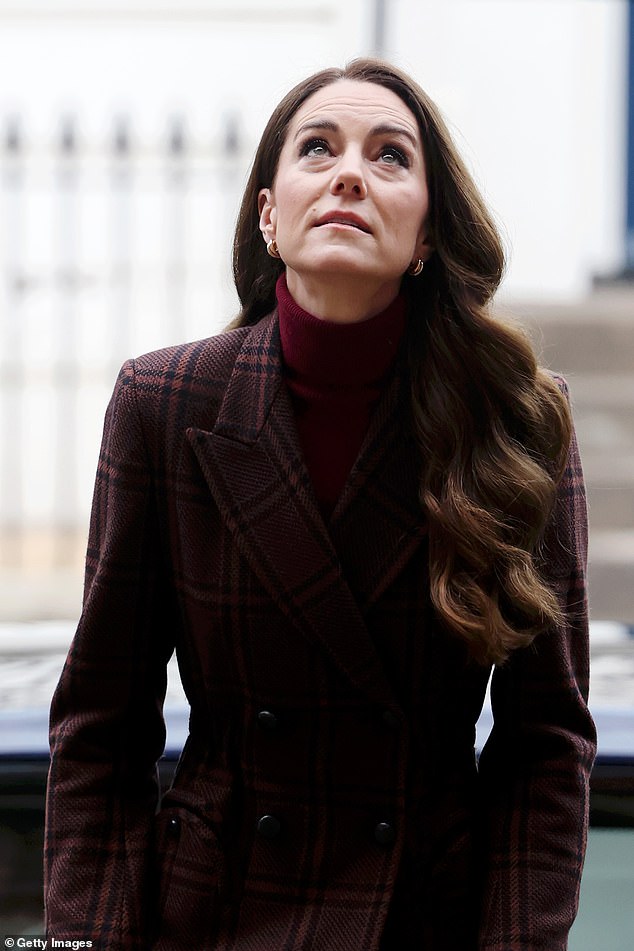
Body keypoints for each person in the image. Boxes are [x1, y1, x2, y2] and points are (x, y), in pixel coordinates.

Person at [44, 58, 596, 951]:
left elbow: (545, 750)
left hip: (422, 916)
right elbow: (101, 732)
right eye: (318, 148)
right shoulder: (163, 404)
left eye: (389, 156)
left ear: (426, 233)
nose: (349, 172)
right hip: (214, 917)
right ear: (269, 213)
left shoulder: (517, 421)